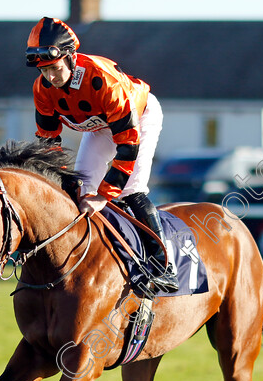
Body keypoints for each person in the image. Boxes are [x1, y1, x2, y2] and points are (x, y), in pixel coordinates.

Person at [25, 17, 178, 292]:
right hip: (99, 125)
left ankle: (163, 265)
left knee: (130, 191)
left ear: (70, 58)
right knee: (81, 190)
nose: (50, 77)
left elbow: (128, 144)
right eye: (43, 70)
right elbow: (48, 144)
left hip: (138, 118)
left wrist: (104, 195)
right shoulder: (42, 89)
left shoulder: (103, 80)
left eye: (54, 68)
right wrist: (64, 183)